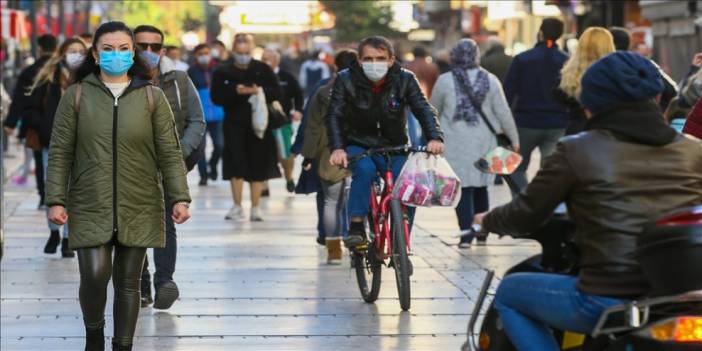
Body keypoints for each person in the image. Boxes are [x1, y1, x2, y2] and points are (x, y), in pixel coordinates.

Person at [473, 51, 702, 351]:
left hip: (607, 294)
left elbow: (525, 213)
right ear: (657, 96)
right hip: (679, 294)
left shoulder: (577, 150)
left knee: (510, 294)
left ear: (593, 102)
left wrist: (488, 219)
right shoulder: (693, 151)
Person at [46, 21, 191, 351]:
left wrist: (180, 196)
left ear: (133, 53)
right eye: (108, 49)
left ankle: (122, 346)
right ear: (95, 55)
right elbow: (60, 151)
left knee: (128, 284)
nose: (116, 55)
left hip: (139, 199)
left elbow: (169, 150)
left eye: (124, 48)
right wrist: (56, 199)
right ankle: (94, 335)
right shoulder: (77, 96)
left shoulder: (151, 97)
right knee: (95, 275)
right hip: (89, 199)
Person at [326, 36, 444, 248]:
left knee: (408, 184)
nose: (374, 64)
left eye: (380, 58)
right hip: (358, 143)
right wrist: (337, 148)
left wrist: (434, 137)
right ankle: (357, 225)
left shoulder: (405, 78)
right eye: (368, 59)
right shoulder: (346, 79)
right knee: (364, 169)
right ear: (359, 61)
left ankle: (402, 233)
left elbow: (423, 109)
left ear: (391, 60)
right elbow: (334, 114)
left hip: (395, 145)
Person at [133, 25, 205, 310]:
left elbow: (197, 121)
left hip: (168, 165)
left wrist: (178, 154)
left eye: (154, 46)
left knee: (165, 223)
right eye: (141, 46)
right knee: (133, 226)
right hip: (132, 164)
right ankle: (141, 282)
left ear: (162, 50)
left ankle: (164, 282)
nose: (148, 52)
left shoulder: (179, 80)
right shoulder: (118, 81)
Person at [430, 39, 518, 249]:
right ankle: (481, 231)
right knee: (481, 188)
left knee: (463, 189)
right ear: (477, 55)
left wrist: (432, 137)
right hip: (484, 141)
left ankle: (466, 235)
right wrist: (514, 139)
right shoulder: (490, 79)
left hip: (455, 141)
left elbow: (433, 111)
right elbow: (503, 112)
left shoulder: (445, 80)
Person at [25, 37, 88, 258]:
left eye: (80, 51)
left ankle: (68, 238)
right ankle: (54, 231)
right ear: (62, 52)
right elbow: (31, 106)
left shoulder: (90, 77)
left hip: (82, 144)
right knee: (53, 186)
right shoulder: (48, 74)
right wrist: (43, 129)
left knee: (74, 191)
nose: (76, 54)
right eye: (72, 50)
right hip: (50, 141)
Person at [211, 33, 282, 222]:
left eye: (247, 51)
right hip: (233, 123)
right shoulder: (222, 71)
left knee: (258, 164)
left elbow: (276, 92)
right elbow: (216, 97)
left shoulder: (263, 69)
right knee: (235, 163)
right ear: (233, 50)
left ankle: (256, 207)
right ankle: (237, 205)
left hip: (258, 124)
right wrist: (235, 91)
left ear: (252, 50)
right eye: (239, 51)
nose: (243, 55)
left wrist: (258, 91)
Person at [301, 49, 358, 264]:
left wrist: (308, 156)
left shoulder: (324, 92)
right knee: (359, 197)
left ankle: (334, 250)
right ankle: (359, 242)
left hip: (329, 152)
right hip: (361, 150)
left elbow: (312, 126)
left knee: (331, 200)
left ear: (335, 66)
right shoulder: (365, 91)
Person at [503, 18, 568, 190]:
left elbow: (507, 94)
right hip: (557, 124)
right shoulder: (567, 61)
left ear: (540, 33)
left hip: (526, 123)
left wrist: (504, 123)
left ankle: (523, 201)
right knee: (550, 171)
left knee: (515, 167)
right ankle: (543, 207)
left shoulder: (522, 59)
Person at [3, 34, 58, 208]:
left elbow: (19, 99)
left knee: (39, 160)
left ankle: (43, 196)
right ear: (56, 48)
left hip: (35, 124)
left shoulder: (29, 71)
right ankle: (55, 196)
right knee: (58, 161)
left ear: (40, 48)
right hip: (57, 123)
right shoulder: (60, 70)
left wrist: (10, 123)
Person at [554, 27, 615, 135]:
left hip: (575, 133)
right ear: (609, 46)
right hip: (608, 133)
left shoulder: (568, 75)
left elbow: (558, 97)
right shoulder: (615, 73)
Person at [262, 48, 304, 193]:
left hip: (282, 122)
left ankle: (289, 177)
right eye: (263, 59)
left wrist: (298, 110)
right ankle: (264, 185)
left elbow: (298, 94)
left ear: (276, 60)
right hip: (262, 123)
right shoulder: (258, 76)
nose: (265, 62)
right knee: (263, 153)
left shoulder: (287, 77)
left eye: (268, 59)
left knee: (284, 153)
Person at [188, 43, 225, 186]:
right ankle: (203, 175)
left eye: (206, 52)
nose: (204, 56)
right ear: (196, 55)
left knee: (220, 145)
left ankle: (213, 165)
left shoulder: (219, 68)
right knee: (200, 148)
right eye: (200, 53)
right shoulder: (192, 71)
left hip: (218, 113)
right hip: (199, 115)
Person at [404, 46, 440, 146]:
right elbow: (436, 85)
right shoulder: (432, 67)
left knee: (413, 128)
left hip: (410, 101)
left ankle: (416, 148)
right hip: (428, 99)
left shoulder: (406, 67)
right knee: (428, 124)